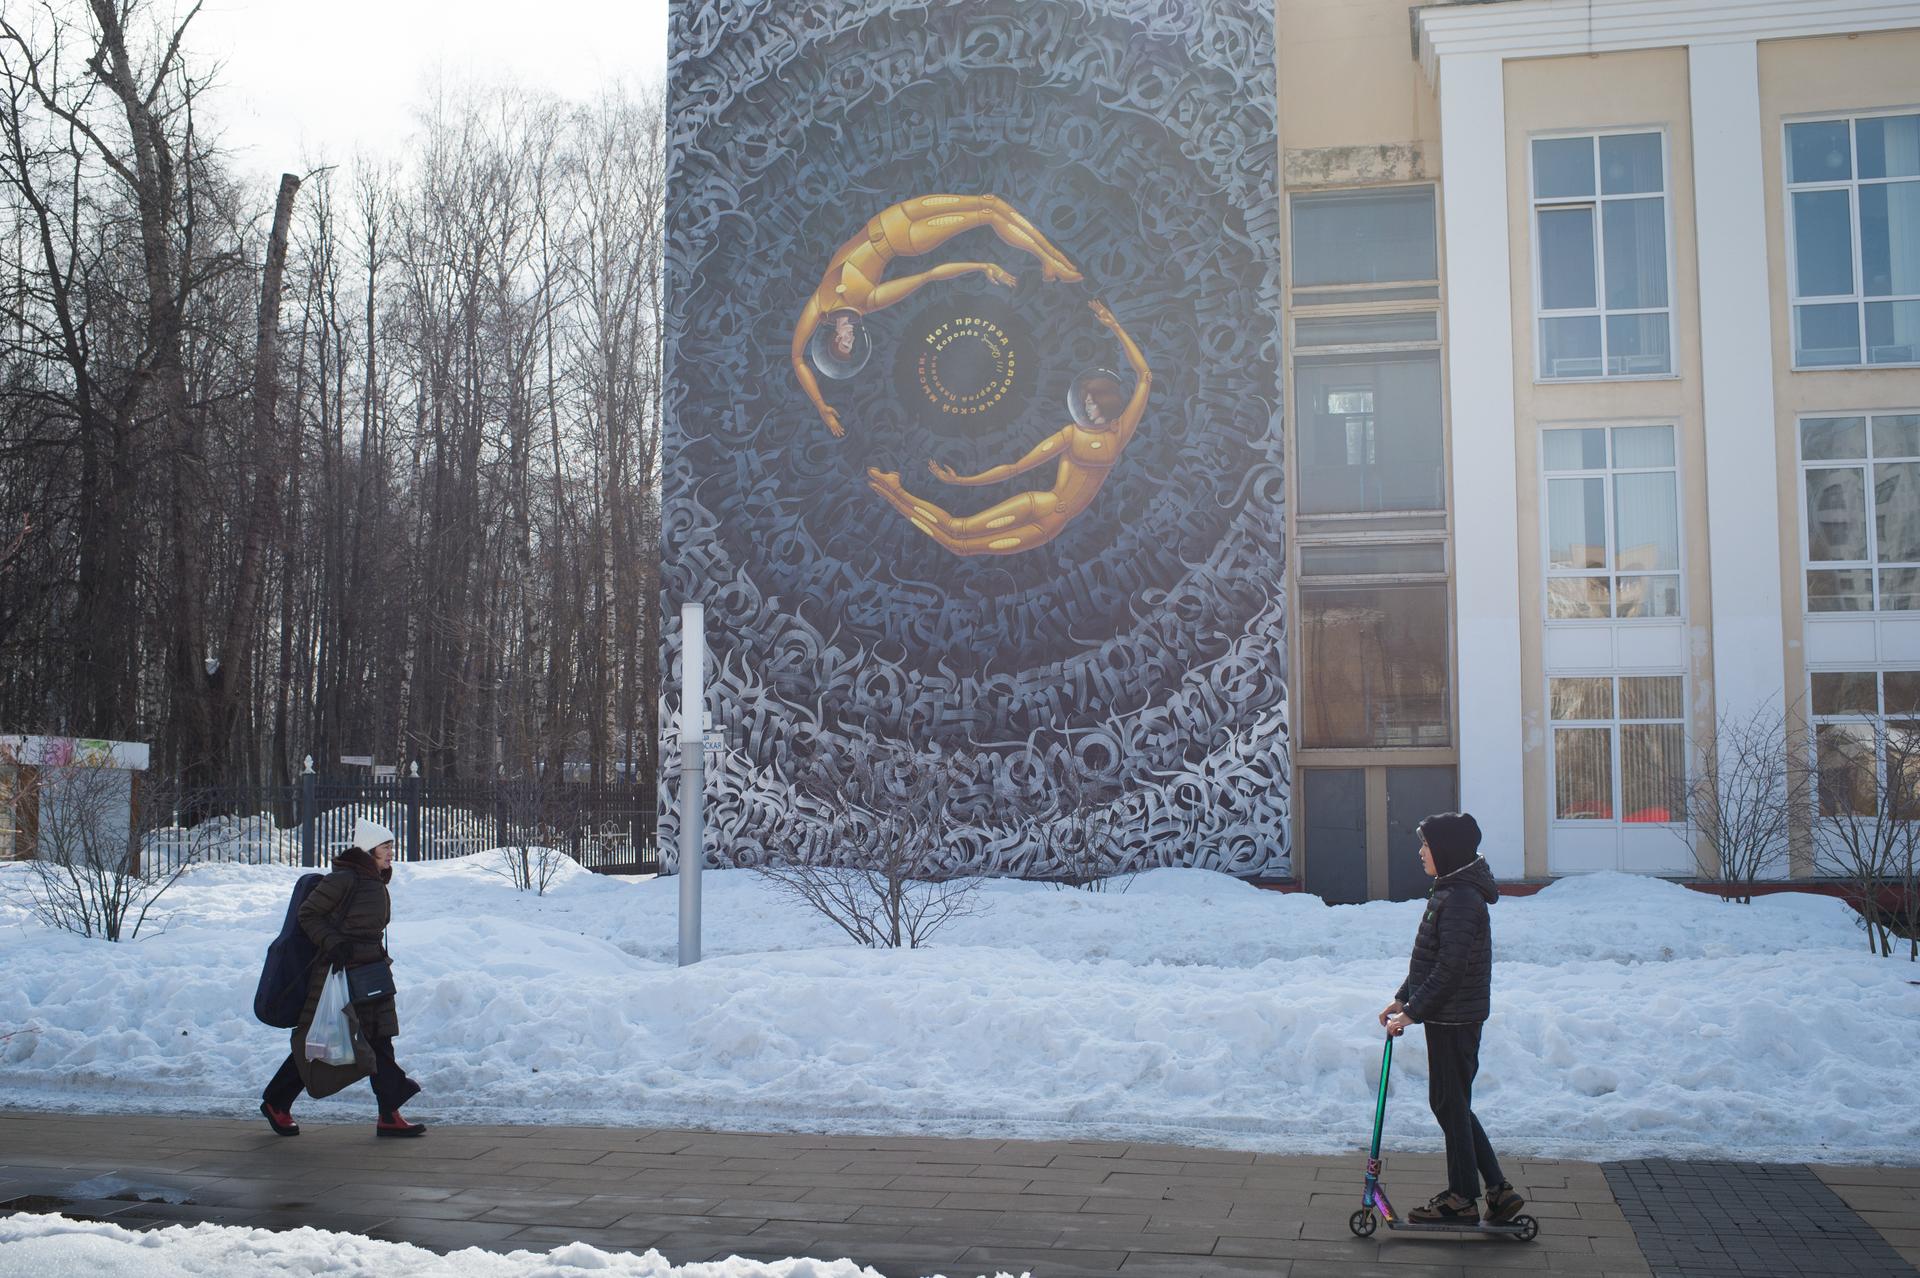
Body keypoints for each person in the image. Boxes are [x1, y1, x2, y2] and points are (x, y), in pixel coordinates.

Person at [866, 298, 1151, 556]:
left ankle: (891, 493)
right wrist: (963, 481)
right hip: (1040, 505)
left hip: (1054, 525)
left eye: (1093, 404)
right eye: (1087, 403)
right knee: (959, 528)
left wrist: (1115, 326)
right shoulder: (1072, 434)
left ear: (1107, 404)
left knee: (960, 547)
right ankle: (897, 490)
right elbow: (1017, 468)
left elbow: (1145, 376)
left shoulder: (1119, 432)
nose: (1089, 408)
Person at [1378, 812, 1523, 1225]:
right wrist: (1403, 997)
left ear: (1445, 850)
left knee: (1450, 1104)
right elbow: (1432, 958)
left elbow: (1450, 968)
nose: (1420, 851)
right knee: (1451, 1103)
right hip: (1450, 1014)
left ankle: (1463, 1198)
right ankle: (1497, 1190)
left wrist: (1412, 1012)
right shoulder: (1451, 890)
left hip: (1455, 1018)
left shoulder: (1460, 898)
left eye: (1426, 845)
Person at [259, 817, 425, 1138]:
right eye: (385, 847)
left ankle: (389, 1114)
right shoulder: (346, 879)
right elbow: (309, 913)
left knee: (378, 1038)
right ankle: (277, 1101)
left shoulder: (373, 880)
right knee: (325, 1041)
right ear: (369, 849)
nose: (391, 852)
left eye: (391, 846)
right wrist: (333, 942)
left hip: (371, 971)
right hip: (343, 972)